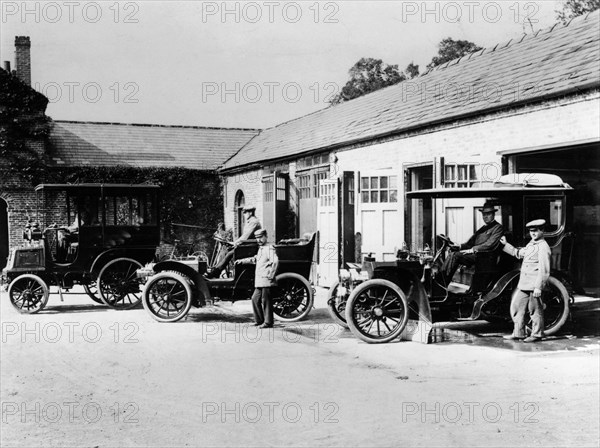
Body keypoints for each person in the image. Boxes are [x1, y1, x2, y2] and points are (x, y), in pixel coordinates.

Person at [501, 219, 551, 343]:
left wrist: (539, 287)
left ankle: (537, 334)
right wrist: (505, 245)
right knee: (518, 306)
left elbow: (544, 269)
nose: (533, 234)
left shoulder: (543, 247)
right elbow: (518, 253)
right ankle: (519, 333)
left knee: (535, 309)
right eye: (531, 231)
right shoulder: (531, 244)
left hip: (534, 284)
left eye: (536, 231)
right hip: (524, 283)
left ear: (542, 231)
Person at [439, 202, 504, 284]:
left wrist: (472, 250)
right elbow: (470, 243)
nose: (485, 216)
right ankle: (441, 280)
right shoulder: (482, 229)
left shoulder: (498, 228)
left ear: (493, 214)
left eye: (488, 214)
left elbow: (490, 244)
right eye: (484, 214)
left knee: (455, 256)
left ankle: (442, 283)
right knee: (452, 254)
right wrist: (458, 246)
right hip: (478, 256)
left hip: (486, 258)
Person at [237, 229, 279, 328]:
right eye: (257, 238)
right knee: (254, 299)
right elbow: (255, 259)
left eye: (260, 237)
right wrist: (242, 261)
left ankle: (268, 322)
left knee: (266, 301)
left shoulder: (269, 248)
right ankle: (259, 320)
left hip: (266, 279)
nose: (259, 240)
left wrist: (271, 275)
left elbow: (275, 261)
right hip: (260, 280)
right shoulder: (261, 248)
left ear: (265, 236)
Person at [206, 206, 262, 278]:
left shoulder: (254, 222)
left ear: (250, 213)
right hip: (246, 245)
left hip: (250, 247)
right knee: (225, 250)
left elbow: (245, 237)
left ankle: (216, 271)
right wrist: (234, 243)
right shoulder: (250, 222)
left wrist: (235, 243)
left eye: (245, 212)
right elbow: (244, 237)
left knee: (230, 253)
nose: (244, 214)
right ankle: (216, 270)